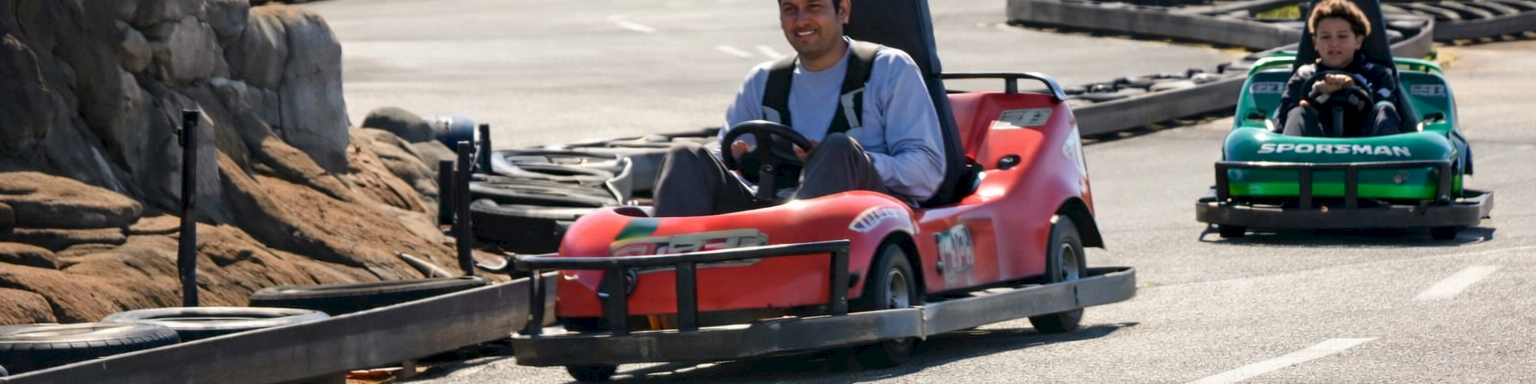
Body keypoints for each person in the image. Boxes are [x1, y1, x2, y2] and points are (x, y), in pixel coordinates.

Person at [650, 0, 946, 217]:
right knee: (686, 155)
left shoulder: (889, 69)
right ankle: (664, 270)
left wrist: (853, 162)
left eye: (814, 7)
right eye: (790, 9)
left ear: (842, 10)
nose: (801, 20)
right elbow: (722, 153)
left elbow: (928, 172)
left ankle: (806, 261)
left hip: (866, 217)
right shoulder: (763, 80)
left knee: (838, 149)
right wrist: (735, 158)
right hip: (772, 212)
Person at [1277, 0, 1402, 138]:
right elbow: (1282, 120)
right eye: (1325, 37)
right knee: (1297, 112)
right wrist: (1318, 93)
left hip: (1367, 143)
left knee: (1385, 108)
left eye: (1342, 36)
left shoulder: (1377, 75)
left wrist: (1353, 88)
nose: (1333, 43)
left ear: (1358, 41)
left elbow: (1386, 108)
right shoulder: (1303, 75)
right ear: (1315, 42)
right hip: (1313, 144)